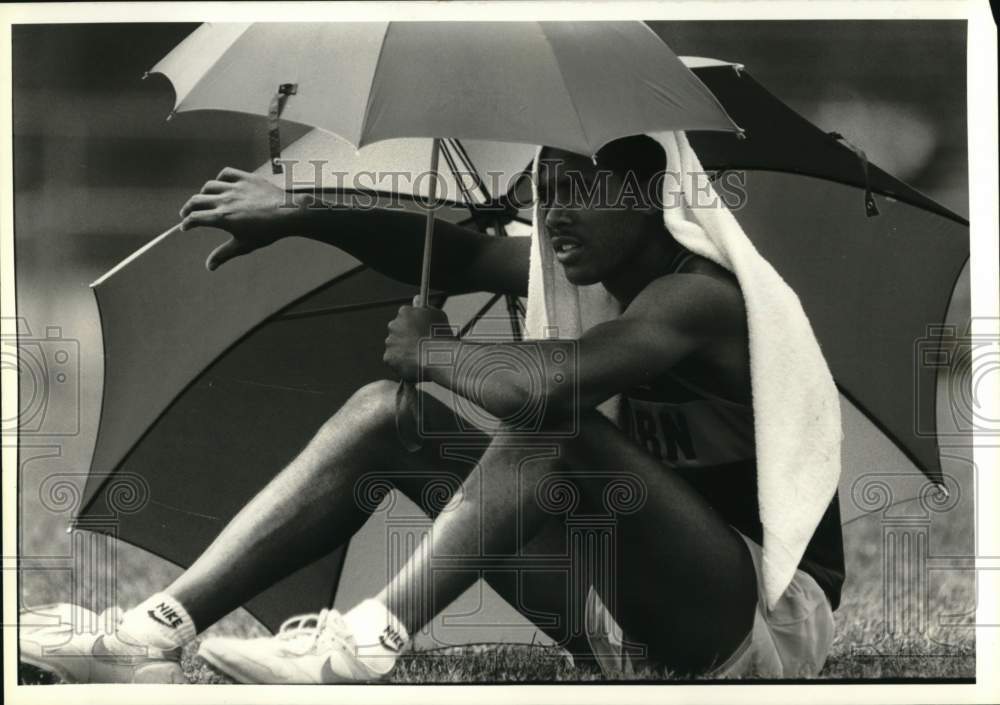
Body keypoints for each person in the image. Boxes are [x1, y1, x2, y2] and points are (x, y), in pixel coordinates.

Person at [20, 135, 844, 684]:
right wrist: (302, 212)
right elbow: (450, 250)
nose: (554, 214)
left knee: (557, 428)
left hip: (753, 626)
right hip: (619, 610)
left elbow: (548, 390)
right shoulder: (584, 270)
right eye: (543, 190)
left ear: (654, 194)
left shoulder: (694, 298)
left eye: (580, 190)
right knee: (390, 413)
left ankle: (362, 645)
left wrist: (433, 353)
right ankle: (153, 632)